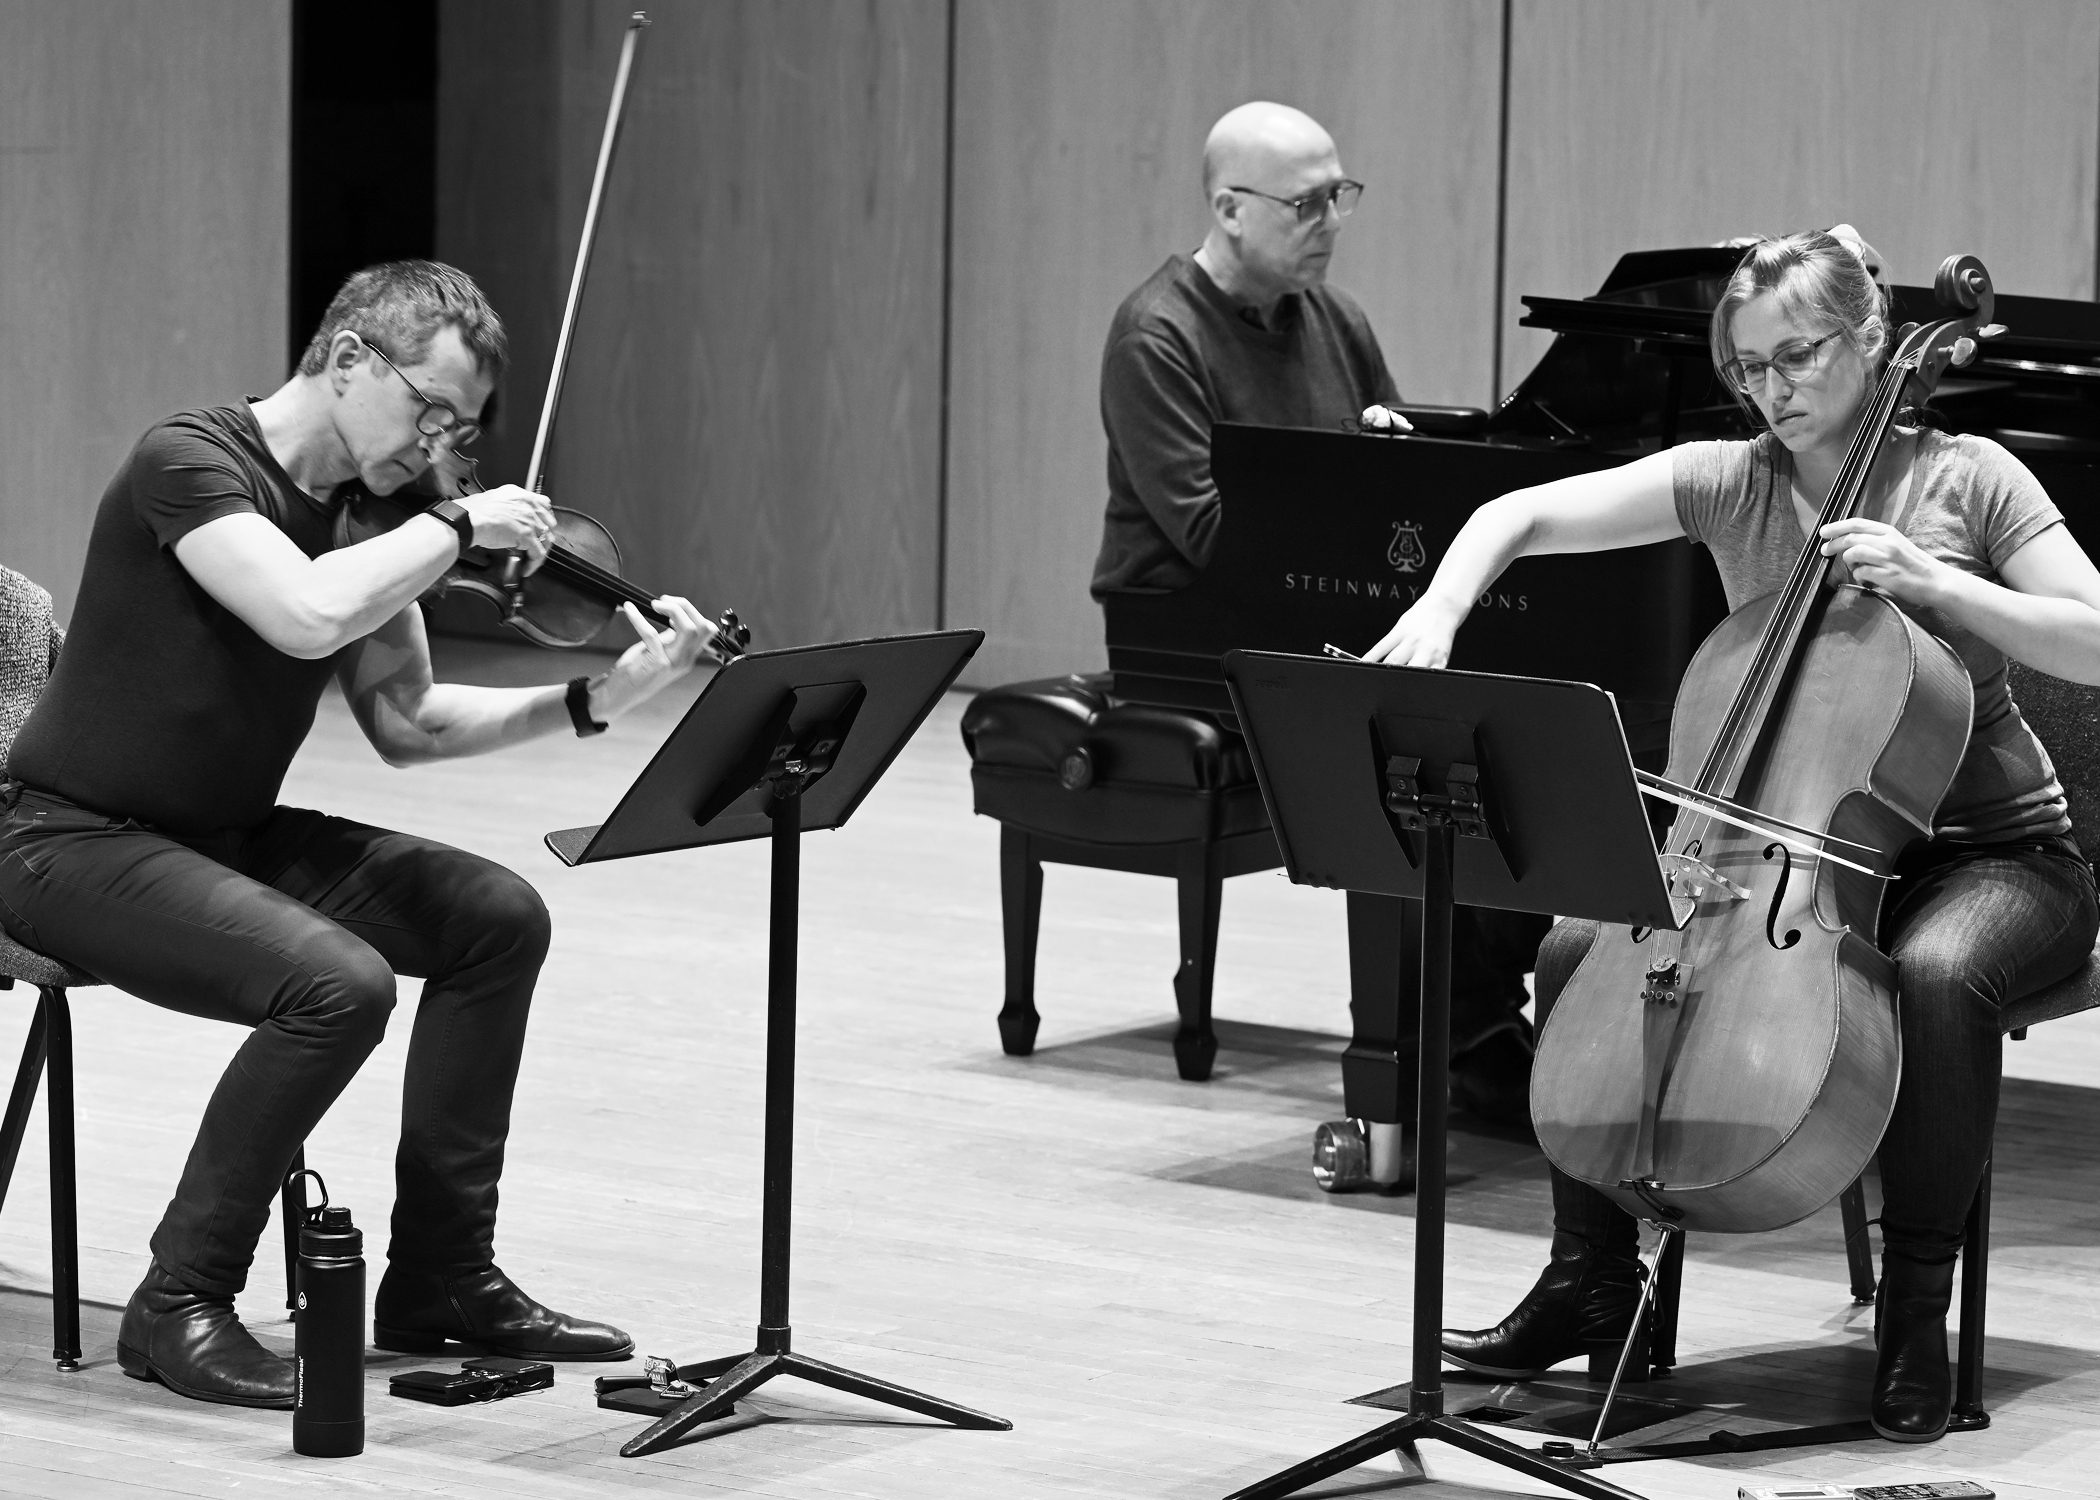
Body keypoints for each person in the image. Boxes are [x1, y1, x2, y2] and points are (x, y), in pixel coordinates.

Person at [1361, 227, 2100, 1442]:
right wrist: (1443, 602)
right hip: (1800, 855)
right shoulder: (1735, 477)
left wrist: (1939, 584)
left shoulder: (1970, 479)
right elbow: (1517, 512)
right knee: (1570, 952)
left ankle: (1917, 1306)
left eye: (1800, 357)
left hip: (1993, 857)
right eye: (1750, 366)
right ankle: (1600, 1284)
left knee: (1935, 972)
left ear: (1872, 344)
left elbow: (2087, 637)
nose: (1775, 390)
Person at [0, 261, 721, 1410]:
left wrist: (600, 699)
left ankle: (440, 1275)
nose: (441, 444)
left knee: (494, 916)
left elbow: (411, 722)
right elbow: (304, 611)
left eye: (464, 427)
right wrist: (452, 524)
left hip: (217, 838)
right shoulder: (188, 462)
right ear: (345, 360)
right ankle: (179, 1298)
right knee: (339, 984)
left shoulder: (374, 521)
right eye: (429, 409)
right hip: (63, 844)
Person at [1089, 101, 1542, 1155]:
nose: (1330, 220)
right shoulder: (1155, 334)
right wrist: (1341, 497)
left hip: (1308, 609)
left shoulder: (1332, 317)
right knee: (1412, 759)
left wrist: (1380, 457)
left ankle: (1469, 1021)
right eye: (1305, 203)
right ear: (1229, 209)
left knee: (1511, 739)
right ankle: (1422, 1045)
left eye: (1340, 195)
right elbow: (1205, 532)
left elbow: (1381, 480)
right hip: (1189, 636)